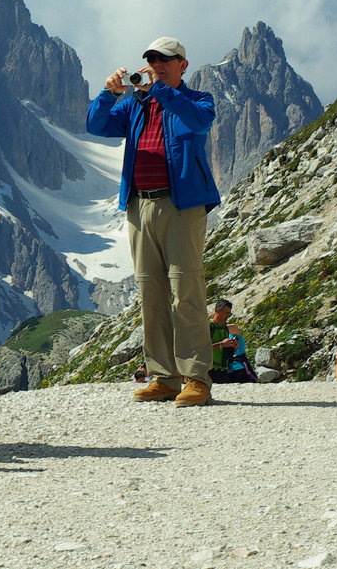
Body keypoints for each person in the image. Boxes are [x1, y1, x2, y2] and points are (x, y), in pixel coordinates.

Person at [86, 37, 221, 407]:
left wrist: (160, 91)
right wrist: (108, 93)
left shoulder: (197, 101)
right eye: (151, 60)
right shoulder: (135, 105)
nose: (156, 65)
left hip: (182, 206)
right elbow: (97, 126)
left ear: (183, 65)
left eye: (165, 60)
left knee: (186, 291)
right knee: (151, 293)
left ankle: (196, 379)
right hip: (139, 206)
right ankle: (163, 377)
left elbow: (197, 123)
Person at [209, 300, 257, 383]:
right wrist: (221, 345)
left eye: (229, 313)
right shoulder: (209, 327)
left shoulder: (225, 328)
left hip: (224, 371)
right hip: (210, 370)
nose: (228, 316)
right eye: (226, 313)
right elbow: (200, 349)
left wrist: (233, 347)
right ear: (217, 311)